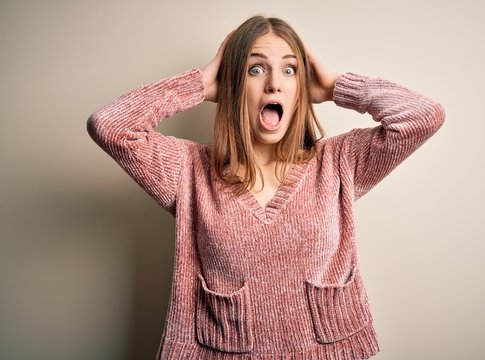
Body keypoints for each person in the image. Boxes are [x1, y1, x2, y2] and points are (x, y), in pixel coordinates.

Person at [87, 15, 445, 360]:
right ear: (233, 85)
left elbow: (423, 116)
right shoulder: (187, 171)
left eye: (290, 70)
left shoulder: (339, 161)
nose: (274, 83)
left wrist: (336, 86)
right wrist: (201, 83)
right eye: (256, 69)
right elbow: (110, 126)